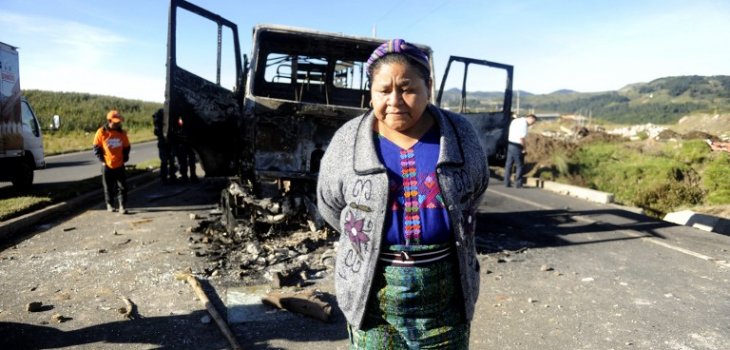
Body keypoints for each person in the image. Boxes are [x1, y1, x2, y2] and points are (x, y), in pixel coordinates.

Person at [317, 39, 488, 349]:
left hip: (446, 289)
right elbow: (331, 205)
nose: (394, 100)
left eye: (407, 88)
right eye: (384, 91)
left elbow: (475, 190)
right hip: (373, 291)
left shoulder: (460, 134)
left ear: (429, 87)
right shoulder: (348, 140)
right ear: (371, 92)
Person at [93, 110, 131, 214]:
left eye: (119, 122)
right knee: (108, 187)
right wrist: (102, 160)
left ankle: (122, 206)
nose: (118, 123)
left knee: (122, 187)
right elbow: (96, 148)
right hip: (107, 165)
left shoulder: (122, 133)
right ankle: (109, 205)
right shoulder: (101, 132)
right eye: (116, 122)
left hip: (119, 164)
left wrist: (125, 158)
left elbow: (127, 147)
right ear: (109, 121)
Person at [504, 113, 537, 188]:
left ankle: (506, 182)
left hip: (510, 144)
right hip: (517, 146)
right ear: (531, 118)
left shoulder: (515, 120)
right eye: (533, 122)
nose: (532, 124)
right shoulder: (524, 124)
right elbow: (521, 138)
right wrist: (524, 148)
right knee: (520, 165)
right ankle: (518, 183)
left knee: (509, 164)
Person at [152, 108, 178, 184]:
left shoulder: (158, 121)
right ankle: (170, 177)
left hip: (164, 143)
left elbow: (156, 132)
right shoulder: (162, 122)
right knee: (169, 161)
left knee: (165, 161)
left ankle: (165, 179)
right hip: (166, 143)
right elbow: (157, 132)